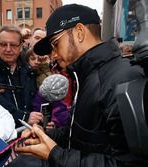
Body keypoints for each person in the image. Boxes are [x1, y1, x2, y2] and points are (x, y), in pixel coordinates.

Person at [16, 4, 148, 167]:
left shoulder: (122, 79)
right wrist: (46, 135)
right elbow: (78, 133)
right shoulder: (84, 77)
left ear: (79, 33)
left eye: (55, 44)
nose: (53, 55)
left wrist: (55, 154)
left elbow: (130, 164)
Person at [0, 25, 41, 128]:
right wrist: (23, 117)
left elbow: (34, 99)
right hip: (3, 133)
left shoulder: (28, 69)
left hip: (30, 129)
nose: (8, 49)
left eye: (13, 45)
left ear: (21, 47)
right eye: (3, 44)